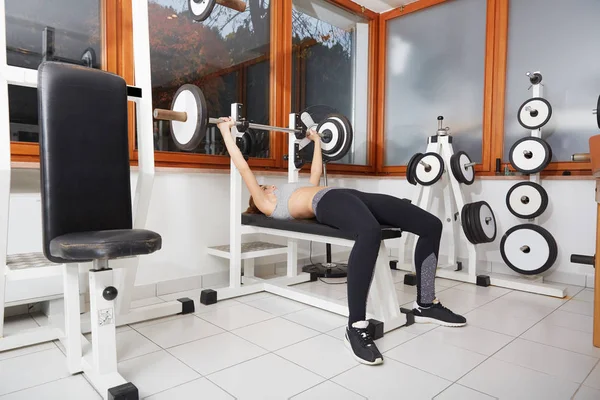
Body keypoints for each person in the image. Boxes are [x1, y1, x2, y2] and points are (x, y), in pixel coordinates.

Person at [217, 117, 466, 366]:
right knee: (369, 232)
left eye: (269, 185)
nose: (270, 186)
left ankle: (426, 303)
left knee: (431, 225)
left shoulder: (291, 189)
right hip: (327, 203)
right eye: (265, 187)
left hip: (349, 196)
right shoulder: (265, 203)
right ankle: (356, 326)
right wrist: (225, 132)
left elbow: (315, 173)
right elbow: (243, 169)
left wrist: (315, 142)